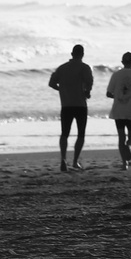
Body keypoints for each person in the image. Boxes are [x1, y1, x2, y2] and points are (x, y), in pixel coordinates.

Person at [47, 44, 93, 172]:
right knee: (81, 134)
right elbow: (89, 83)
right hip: (80, 105)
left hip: (66, 105)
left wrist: (61, 89)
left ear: (72, 54)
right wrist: (87, 92)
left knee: (64, 134)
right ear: (82, 54)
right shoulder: (85, 68)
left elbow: (51, 83)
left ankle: (63, 160)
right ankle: (75, 161)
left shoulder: (62, 68)